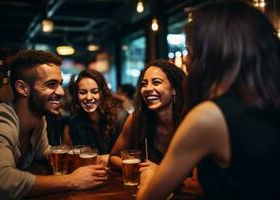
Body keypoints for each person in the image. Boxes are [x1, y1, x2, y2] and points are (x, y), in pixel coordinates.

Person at [137, 1, 280, 199]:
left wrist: (148, 177)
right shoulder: (267, 104)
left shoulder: (209, 116)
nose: (185, 59)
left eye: (188, 49)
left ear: (210, 53)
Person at [0, 50, 107, 200]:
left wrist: (93, 158)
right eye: (51, 84)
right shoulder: (1, 118)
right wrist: (73, 180)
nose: (61, 92)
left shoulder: (39, 120)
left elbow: (46, 153)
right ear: (22, 88)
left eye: (59, 84)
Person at [109, 59, 186, 169]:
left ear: (174, 89)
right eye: (144, 84)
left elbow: (196, 181)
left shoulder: (189, 120)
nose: (148, 88)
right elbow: (113, 157)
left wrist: (158, 172)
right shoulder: (136, 119)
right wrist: (137, 168)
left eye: (156, 82)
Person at [63, 69, 128, 156]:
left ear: (102, 93)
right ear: (76, 96)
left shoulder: (121, 118)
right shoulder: (75, 123)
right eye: (83, 92)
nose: (89, 97)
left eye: (94, 91)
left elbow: (126, 155)